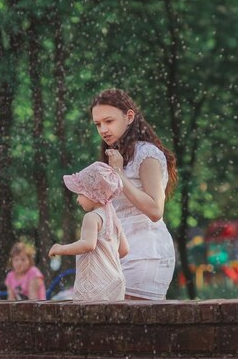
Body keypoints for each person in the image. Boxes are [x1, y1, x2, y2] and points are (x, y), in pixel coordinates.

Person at [90, 88, 177, 300]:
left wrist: (119, 174)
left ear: (129, 117)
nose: (103, 129)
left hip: (147, 252)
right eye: (98, 124)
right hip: (118, 252)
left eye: (109, 121)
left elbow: (156, 210)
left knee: (133, 326)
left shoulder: (146, 154)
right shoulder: (116, 156)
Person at [49, 161, 129, 301]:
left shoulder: (91, 217)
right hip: (115, 282)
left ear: (92, 193)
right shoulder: (113, 217)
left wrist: (60, 249)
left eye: (80, 194)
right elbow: (124, 250)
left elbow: (88, 245)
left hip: (94, 285)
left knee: (87, 320)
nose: (77, 200)